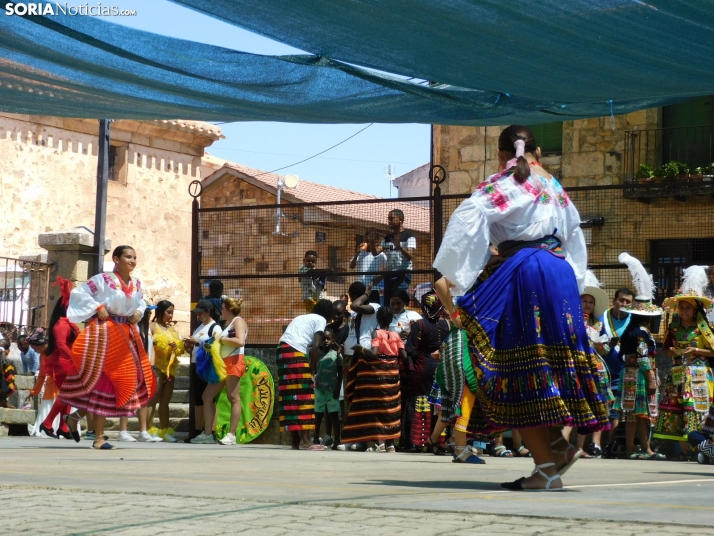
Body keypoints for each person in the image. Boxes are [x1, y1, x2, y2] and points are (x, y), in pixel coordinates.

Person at [433, 125, 608, 490]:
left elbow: (467, 217)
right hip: (559, 272)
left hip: (526, 271)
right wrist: (574, 284)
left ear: (502, 154)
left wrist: (464, 269)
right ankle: (558, 447)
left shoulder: (504, 182)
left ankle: (545, 469)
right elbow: (575, 238)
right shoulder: (556, 187)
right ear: (538, 151)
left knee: (516, 364)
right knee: (546, 362)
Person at [61, 245, 156, 450]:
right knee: (104, 380)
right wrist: (99, 307)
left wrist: (139, 313)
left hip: (126, 333)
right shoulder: (103, 280)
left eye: (135, 257)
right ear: (116, 259)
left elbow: (141, 302)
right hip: (105, 331)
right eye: (128, 257)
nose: (132, 260)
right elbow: (79, 293)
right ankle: (98, 438)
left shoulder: (136, 283)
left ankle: (75, 417)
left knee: (119, 382)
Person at [654, 265, 714, 459]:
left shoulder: (703, 329)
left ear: (695, 309)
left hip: (699, 375)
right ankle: (684, 452)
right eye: (682, 307)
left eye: (688, 307)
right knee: (679, 411)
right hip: (678, 374)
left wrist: (696, 350)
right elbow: (665, 349)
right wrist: (671, 351)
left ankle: (700, 448)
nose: (684, 310)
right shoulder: (673, 328)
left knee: (695, 410)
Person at [612, 253, 665, 460]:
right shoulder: (642, 332)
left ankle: (631, 448)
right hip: (641, 376)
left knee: (633, 416)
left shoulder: (630, 331)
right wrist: (652, 378)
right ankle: (645, 448)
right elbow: (644, 357)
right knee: (642, 415)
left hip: (629, 375)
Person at [341, 306, 403, 452]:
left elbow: (374, 353)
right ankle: (391, 445)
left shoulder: (376, 333)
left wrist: (360, 349)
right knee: (390, 409)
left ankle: (380, 443)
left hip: (378, 378)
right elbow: (403, 355)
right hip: (393, 377)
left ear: (378, 319)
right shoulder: (396, 335)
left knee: (377, 409)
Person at [277, 299, 334, 450]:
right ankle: (306, 441)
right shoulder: (320, 319)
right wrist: (312, 371)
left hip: (282, 351)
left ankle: (295, 441)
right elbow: (315, 348)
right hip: (295, 352)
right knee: (304, 395)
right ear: (328, 314)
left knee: (290, 395)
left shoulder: (303, 317)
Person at [192, 297, 247, 446]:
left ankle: (231, 434)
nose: (221, 311)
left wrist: (220, 340)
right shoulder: (228, 324)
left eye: (222, 308)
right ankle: (208, 434)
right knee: (207, 396)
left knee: (233, 397)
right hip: (222, 364)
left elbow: (240, 341)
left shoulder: (238, 321)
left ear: (229, 310)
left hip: (234, 361)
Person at [31, 277, 80, 440]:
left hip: (67, 362)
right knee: (68, 394)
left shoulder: (67, 323)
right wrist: (74, 358)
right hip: (64, 363)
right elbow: (60, 344)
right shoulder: (61, 324)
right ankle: (48, 423)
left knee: (69, 395)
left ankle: (63, 427)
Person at [400, 291, 449, 452]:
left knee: (418, 403)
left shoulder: (420, 325)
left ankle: (416, 442)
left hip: (423, 369)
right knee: (438, 405)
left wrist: (411, 368)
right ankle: (437, 442)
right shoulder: (446, 324)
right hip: (441, 368)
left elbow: (410, 349)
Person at [335, 281, 381, 451]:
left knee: (364, 399)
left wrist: (366, 294)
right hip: (350, 356)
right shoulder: (355, 313)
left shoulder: (373, 307)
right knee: (350, 399)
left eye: (352, 295)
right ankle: (351, 437)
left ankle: (365, 440)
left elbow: (355, 305)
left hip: (366, 356)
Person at [575, 271, 614, 458]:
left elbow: (604, 352)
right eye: (585, 301)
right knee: (580, 404)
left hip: (597, 368)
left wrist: (599, 346)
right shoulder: (571, 321)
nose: (588, 304)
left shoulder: (598, 325)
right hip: (578, 366)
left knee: (599, 403)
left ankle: (595, 444)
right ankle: (576, 446)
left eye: (591, 302)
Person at [600, 287, 634, 457]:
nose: (624, 304)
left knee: (617, 410)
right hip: (602, 369)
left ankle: (611, 445)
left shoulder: (634, 320)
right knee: (598, 407)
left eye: (628, 301)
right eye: (621, 300)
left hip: (625, 371)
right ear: (614, 301)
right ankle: (594, 445)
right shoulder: (602, 318)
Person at [183, 300, 222, 441]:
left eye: (201, 313)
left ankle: (211, 431)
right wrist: (188, 346)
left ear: (208, 312)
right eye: (197, 313)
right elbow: (195, 349)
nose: (198, 315)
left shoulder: (215, 328)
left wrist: (197, 342)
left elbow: (215, 347)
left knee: (209, 399)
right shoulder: (199, 328)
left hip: (208, 367)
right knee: (198, 401)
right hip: (196, 365)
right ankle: (198, 430)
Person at [147, 300, 184, 443]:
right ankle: (148, 429)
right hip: (156, 368)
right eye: (168, 312)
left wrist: (177, 347)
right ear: (160, 312)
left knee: (165, 402)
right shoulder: (152, 327)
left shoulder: (172, 330)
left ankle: (164, 430)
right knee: (153, 400)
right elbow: (148, 345)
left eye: (172, 312)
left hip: (170, 369)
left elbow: (180, 350)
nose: (170, 315)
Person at [374, 209, 416, 303]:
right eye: (388, 219)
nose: (389, 221)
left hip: (403, 274)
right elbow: (375, 252)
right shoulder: (388, 238)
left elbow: (409, 256)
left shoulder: (409, 236)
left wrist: (399, 246)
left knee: (397, 300)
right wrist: (371, 242)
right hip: (389, 275)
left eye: (391, 218)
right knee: (387, 303)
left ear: (400, 219)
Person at [311, 328, 342, 450]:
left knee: (334, 415)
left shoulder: (336, 355)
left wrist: (338, 388)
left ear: (333, 340)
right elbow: (312, 370)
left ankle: (337, 439)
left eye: (328, 339)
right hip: (319, 389)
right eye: (323, 339)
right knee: (318, 415)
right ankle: (315, 438)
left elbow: (340, 374)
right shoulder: (316, 354)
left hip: (332, 390)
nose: (325, 341)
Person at [351, 231, 385, 303]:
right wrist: (356, 254)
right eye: (365, 240)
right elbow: (352, 266)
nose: (365, 243)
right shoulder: (361, 253)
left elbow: (386, 269)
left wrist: (378, 279)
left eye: (368, 241)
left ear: (376, 241)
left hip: (373, 289)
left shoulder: (381, 255)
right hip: (360, 288)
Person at [0, 339, 16, 408]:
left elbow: (3, 361)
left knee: (4, 387)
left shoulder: (4, 352)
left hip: (3, 373)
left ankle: (2, 401)